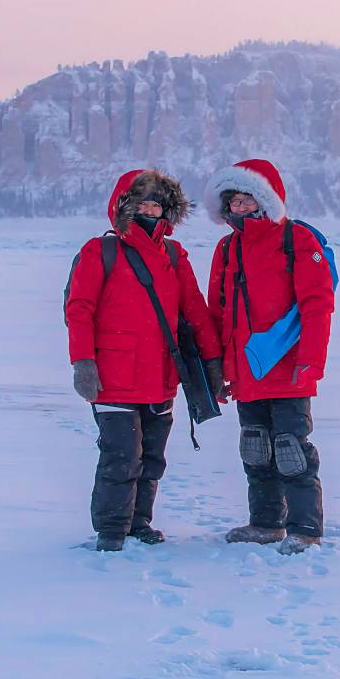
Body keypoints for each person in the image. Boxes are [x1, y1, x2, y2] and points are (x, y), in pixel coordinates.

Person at [65, 169, 223, 551]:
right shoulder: (100, 251)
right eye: (142, 203)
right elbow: (79, 309)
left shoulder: (173, 254)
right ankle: (111, 530)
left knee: (151, 458)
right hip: (113, 376)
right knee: (121, 456)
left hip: (161, 375)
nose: (150, 210)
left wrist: (213, 362)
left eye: (157, 204)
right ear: (125, 206)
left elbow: (195, 311)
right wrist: (83, 362)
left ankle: (139, 524)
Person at [203, 159, 336, 555]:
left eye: (247, 200)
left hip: (290, 370)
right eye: (234, 202)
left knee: (292, 450)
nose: (240, 208)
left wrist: (310, 362)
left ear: (265, 199)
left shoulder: (297, 240)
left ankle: (305, 529)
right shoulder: (227, 248)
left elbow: (317, 305)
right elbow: (219, 312)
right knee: (256, 449)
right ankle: (265, 524)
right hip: (247, 372)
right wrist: (219, 368)